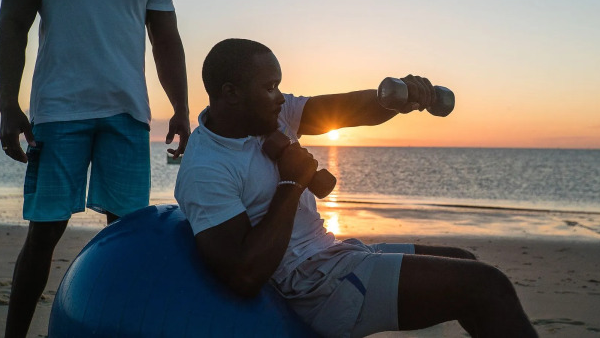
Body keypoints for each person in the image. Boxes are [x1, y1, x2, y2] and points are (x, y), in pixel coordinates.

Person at [175, 38, 537, 338]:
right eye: (270, 88)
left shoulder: (270, 115)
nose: (281, 97)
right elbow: (245, 275)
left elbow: (345, 109)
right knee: (486, 285)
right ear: (231, 93)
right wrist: (291, 183)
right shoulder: (206, 167)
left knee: (465, 261)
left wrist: (399, 97)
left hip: (333, 254)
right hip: (311, 287)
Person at [0, 0, 190, 338]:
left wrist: (182, 108)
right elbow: (12, 28)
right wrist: (8, 106)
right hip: (59, 112)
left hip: (128, 116)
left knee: (126, 236)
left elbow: (167, 43)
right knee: (45, 232)